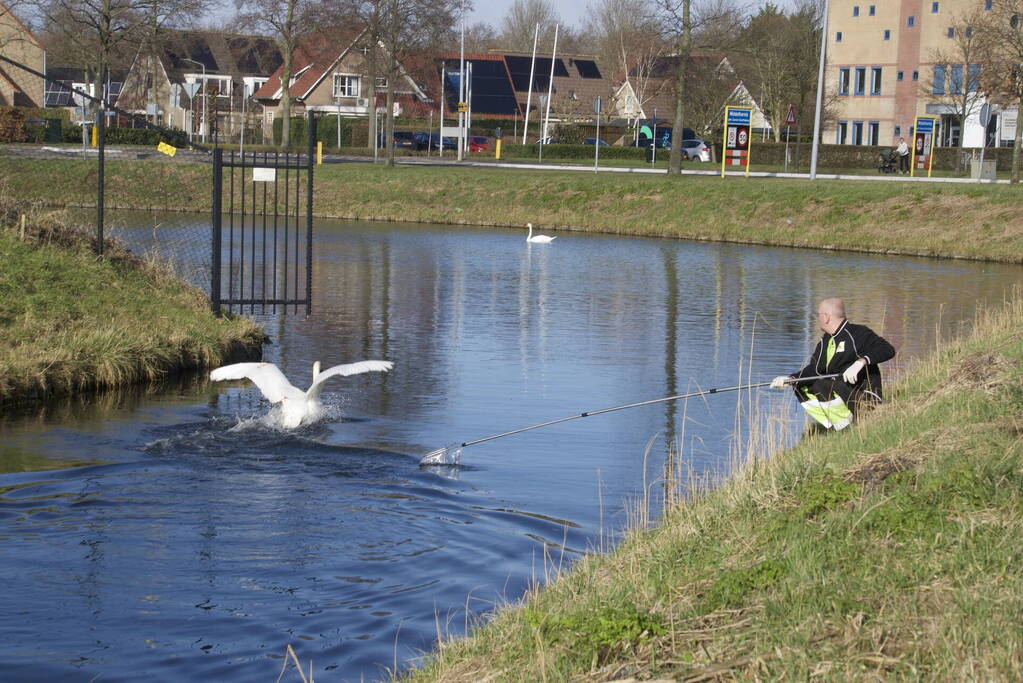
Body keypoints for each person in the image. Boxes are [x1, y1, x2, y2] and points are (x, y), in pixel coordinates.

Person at [771, 298, 895, 432]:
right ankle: (836, 427)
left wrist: (861, 362)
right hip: (842, 392)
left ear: (826, 317)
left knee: (821, 384)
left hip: (865, 397)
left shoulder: (857, 333)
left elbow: (888, 349)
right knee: (801, 385)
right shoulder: (826, 340)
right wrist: (791, 379)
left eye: (818, 315)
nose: (817, 318)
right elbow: (815, 369)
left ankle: (849, 425)